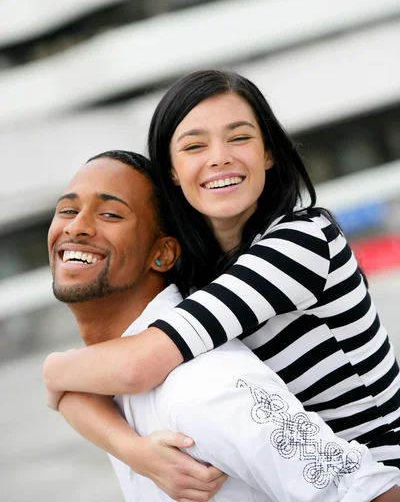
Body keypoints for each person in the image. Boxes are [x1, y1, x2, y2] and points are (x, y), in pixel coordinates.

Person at [43, 70, 400, 480]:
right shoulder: (195, 271)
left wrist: (55, 369)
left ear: (269, 152)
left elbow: (131, 367)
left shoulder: (302, 243)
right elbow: (82, 387)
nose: (219, 158)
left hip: (379, 474)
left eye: (240, 137)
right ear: (172, 171)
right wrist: (134, 451)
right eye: (194, 145)